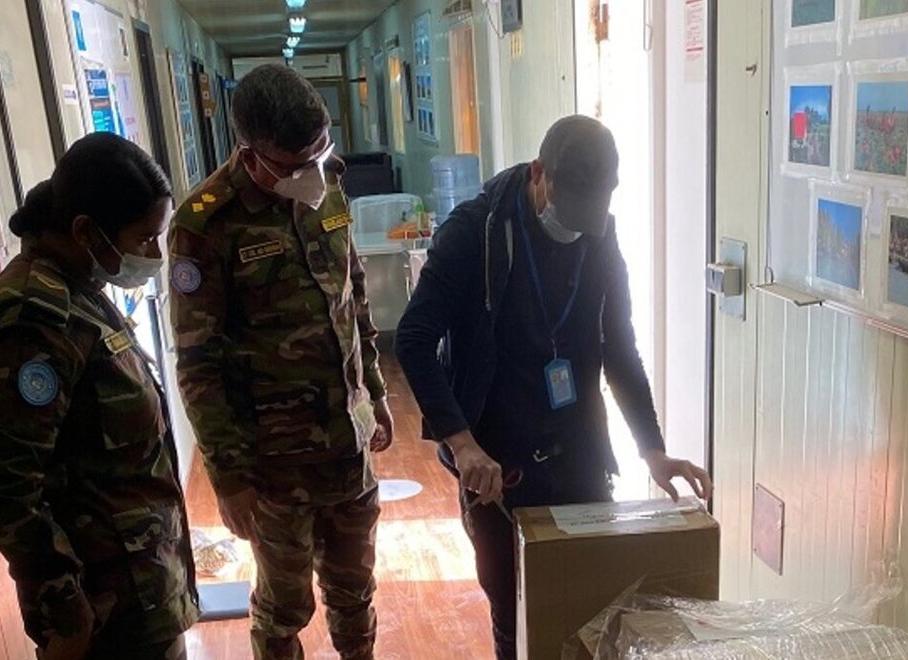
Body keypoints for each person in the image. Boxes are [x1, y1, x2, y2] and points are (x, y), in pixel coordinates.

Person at [395, 115, 713, 659]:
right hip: (497, 467)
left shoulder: (599, 232)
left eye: (590, 217)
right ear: (539, 173)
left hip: (577, 453)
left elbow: (619, 346)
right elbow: (413, 339)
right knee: (516, 613)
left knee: (591, 603)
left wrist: (653, 450)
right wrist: (462, 444)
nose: (576, 228)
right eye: (569, 213)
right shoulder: (473, 233)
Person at [168, 64, 392, 660]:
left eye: (320, 151)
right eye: (294, 165)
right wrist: (229, 477)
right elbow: (198, 364)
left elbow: (353, 295)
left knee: (355, 589)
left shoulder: (328, 181)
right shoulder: (204, 225)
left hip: (348, 442)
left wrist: (374, 391)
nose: (311, 173)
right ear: (252, 154)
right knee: (284, 607)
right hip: (274, 463)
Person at [0, 132, 198, 660]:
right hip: (101, 608)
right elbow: (11, 484)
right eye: (143, 239)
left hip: (140, 587)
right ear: (86, 231)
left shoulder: (80, 287)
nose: (154, 255)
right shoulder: (35, 318)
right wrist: (66, 607)